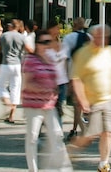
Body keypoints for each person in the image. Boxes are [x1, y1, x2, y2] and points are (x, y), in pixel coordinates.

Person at [68, 24, 111, 172]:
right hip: (92, 101)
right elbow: (76, 79)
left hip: (108, 99)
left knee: (107, 132)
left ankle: (104, 163)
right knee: (89, 136)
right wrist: (82, 100)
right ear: (93, 36)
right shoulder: (83, 53)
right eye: (99, 36)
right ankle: (69, 152)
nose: (102, 39)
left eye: (105, 37)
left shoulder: (110, 52)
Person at [21, 31, 73, 172]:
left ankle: (63, 168)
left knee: (57, 134)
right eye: (44, 42)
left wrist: (56, 89)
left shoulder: (50, 59)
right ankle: (33, 169)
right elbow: (27, 84)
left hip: (49, 104)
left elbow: (56, 77)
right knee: (32, 137)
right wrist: (45, 89)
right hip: (34, 105)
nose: (47, 45)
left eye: (49, 42)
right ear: (37, 44)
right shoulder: (30, 60)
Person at [62, 17, 91, 139]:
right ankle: (78, 127)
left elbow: (64, 57)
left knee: (76, 102)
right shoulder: (89, 37)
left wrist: (65, 76)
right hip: (88, 74)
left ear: (73, 25)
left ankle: (80, 129)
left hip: (74, 73)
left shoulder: (69, 38)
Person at [0, 19, 27, 123]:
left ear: (10, 26)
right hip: (17, 65)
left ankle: (8, 104)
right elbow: (28, 50)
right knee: (15, 89)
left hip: (6, 64)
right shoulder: (21, 37)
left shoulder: (4, 36)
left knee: (1, 87)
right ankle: (11, 116)